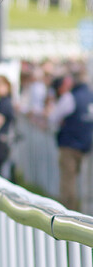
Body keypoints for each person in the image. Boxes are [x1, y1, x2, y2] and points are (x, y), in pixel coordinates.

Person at [47, 69, 93, 211]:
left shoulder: (70, 97)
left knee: (68, 181)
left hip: (70, 144)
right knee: (85, 182)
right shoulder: (90, 96)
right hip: (87, 143)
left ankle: (69, 213)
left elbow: (53, 118)